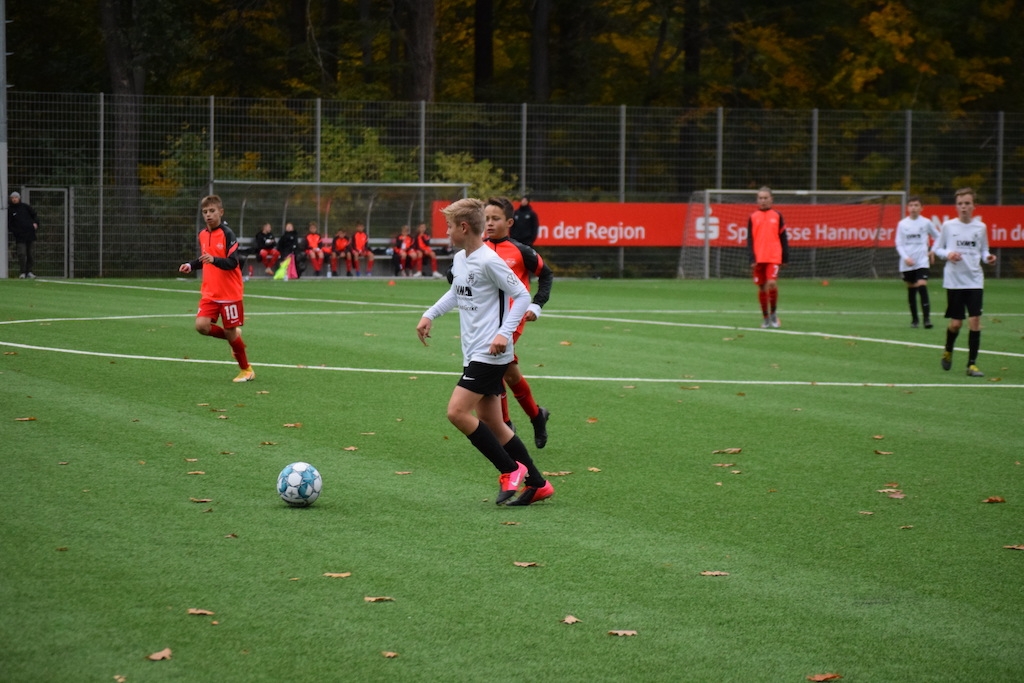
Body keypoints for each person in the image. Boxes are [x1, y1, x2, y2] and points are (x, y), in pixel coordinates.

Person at [416, 198, 553, 506]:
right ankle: (538, 484)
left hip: (491, 352)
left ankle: (510, 470)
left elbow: (521, 295)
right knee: (492, 422)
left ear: (464, 227)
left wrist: (504, 334)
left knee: (456, 412)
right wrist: (429, 314)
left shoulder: (490, 261)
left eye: (450, 226)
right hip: (473, 351)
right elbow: (456, 293)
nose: (447, 232)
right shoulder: (461, 259)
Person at [485, 196, 554, 449]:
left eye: (495, 218)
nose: (489, 223)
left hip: (511, 321)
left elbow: (546, 274)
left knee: (493, 365)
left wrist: (537, 304)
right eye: (486, 218)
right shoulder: (477, 249)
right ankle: (537, 416)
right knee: (510, 374)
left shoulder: (520, 251)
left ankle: (505, 426)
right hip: (485, 320)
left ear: (509, 222)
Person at [177, 195, 255, 383]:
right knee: (201, 326)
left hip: (229, 293)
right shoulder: (202, 234)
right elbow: (205, 259)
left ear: (221, 212)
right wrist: (191, 265)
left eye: (212, 211)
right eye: (205, 212)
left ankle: (246, 370)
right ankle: (234, 338)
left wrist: (214, 260)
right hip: (210, 292)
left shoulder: (228, 234)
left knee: (229, 332)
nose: (208, 215)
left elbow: (232, 262)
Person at [932, 187, 997, 377]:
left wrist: (988, 258)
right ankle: (948, 349)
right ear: (956, 206)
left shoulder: (980, 227)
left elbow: (983, 250)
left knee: (975, 320)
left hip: (975, 280)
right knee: (956, 324)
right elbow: (937, 249)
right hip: (954, 281)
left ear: (974, 206)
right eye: (960, 203)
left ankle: (972, 364)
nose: (963, 207)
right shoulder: (948, 226)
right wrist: (948, 254)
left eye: (967, 203)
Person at [895, 195, 940, 329]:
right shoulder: (902, 224)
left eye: (916, 205)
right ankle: (915, 320)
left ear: (921, 208)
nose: (913, 208)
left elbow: (939, 237)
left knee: (922, 285)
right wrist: (905, 257)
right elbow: (898, 243)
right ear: (907, 208)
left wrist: (933, 250)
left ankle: (927, 319)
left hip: (922, 261)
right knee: (912, 290)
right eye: (911, 205)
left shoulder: (926, 222)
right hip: (907, 263)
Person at [747, 186, 789, 328]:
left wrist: (785, 257)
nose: (763, 200)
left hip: (774, 256)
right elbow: (750, 239)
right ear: (757, 200)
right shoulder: (753, 217)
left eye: (766, 198)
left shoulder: (777, 215)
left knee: (771, 283)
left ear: (771, 199)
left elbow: (783, 237)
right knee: (762, 288)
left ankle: (774, 314)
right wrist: (751, 258)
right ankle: (765, 317)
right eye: (760, 198)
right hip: (759, 257)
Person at [8, 191, 39, 279]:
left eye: (16, 197)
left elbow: (35, 215)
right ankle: (22, 272)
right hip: (20, 236)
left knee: (30, 254)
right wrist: (15, 232)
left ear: (19, 198)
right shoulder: (10, 210)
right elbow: (10, 224)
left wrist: (35, 223)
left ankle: (29, 271)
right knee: (21, 253)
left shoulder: (25, 207)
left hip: (30, 234)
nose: (14, 199)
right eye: (13, 198)